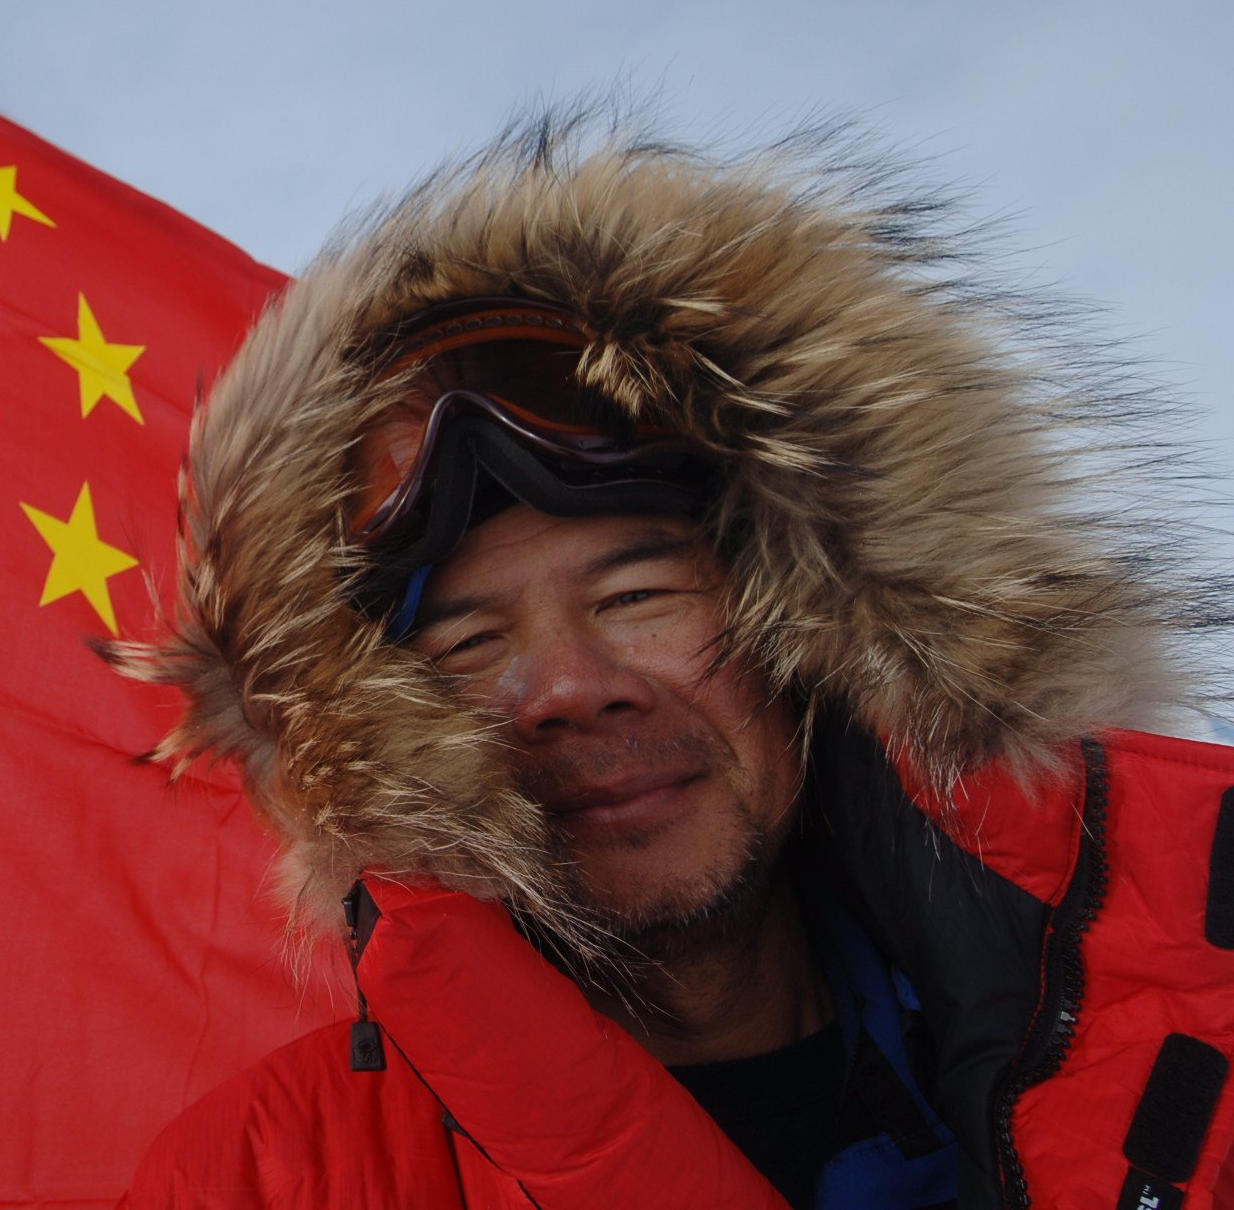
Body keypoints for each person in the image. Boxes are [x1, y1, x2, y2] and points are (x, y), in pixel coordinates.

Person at [110, 113, 1234, 1209]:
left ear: (810, 625)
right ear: (366, 734)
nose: (567, 686)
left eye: (635, 596)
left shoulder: (1195, 1037)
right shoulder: (265, 1180)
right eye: (468, 640)